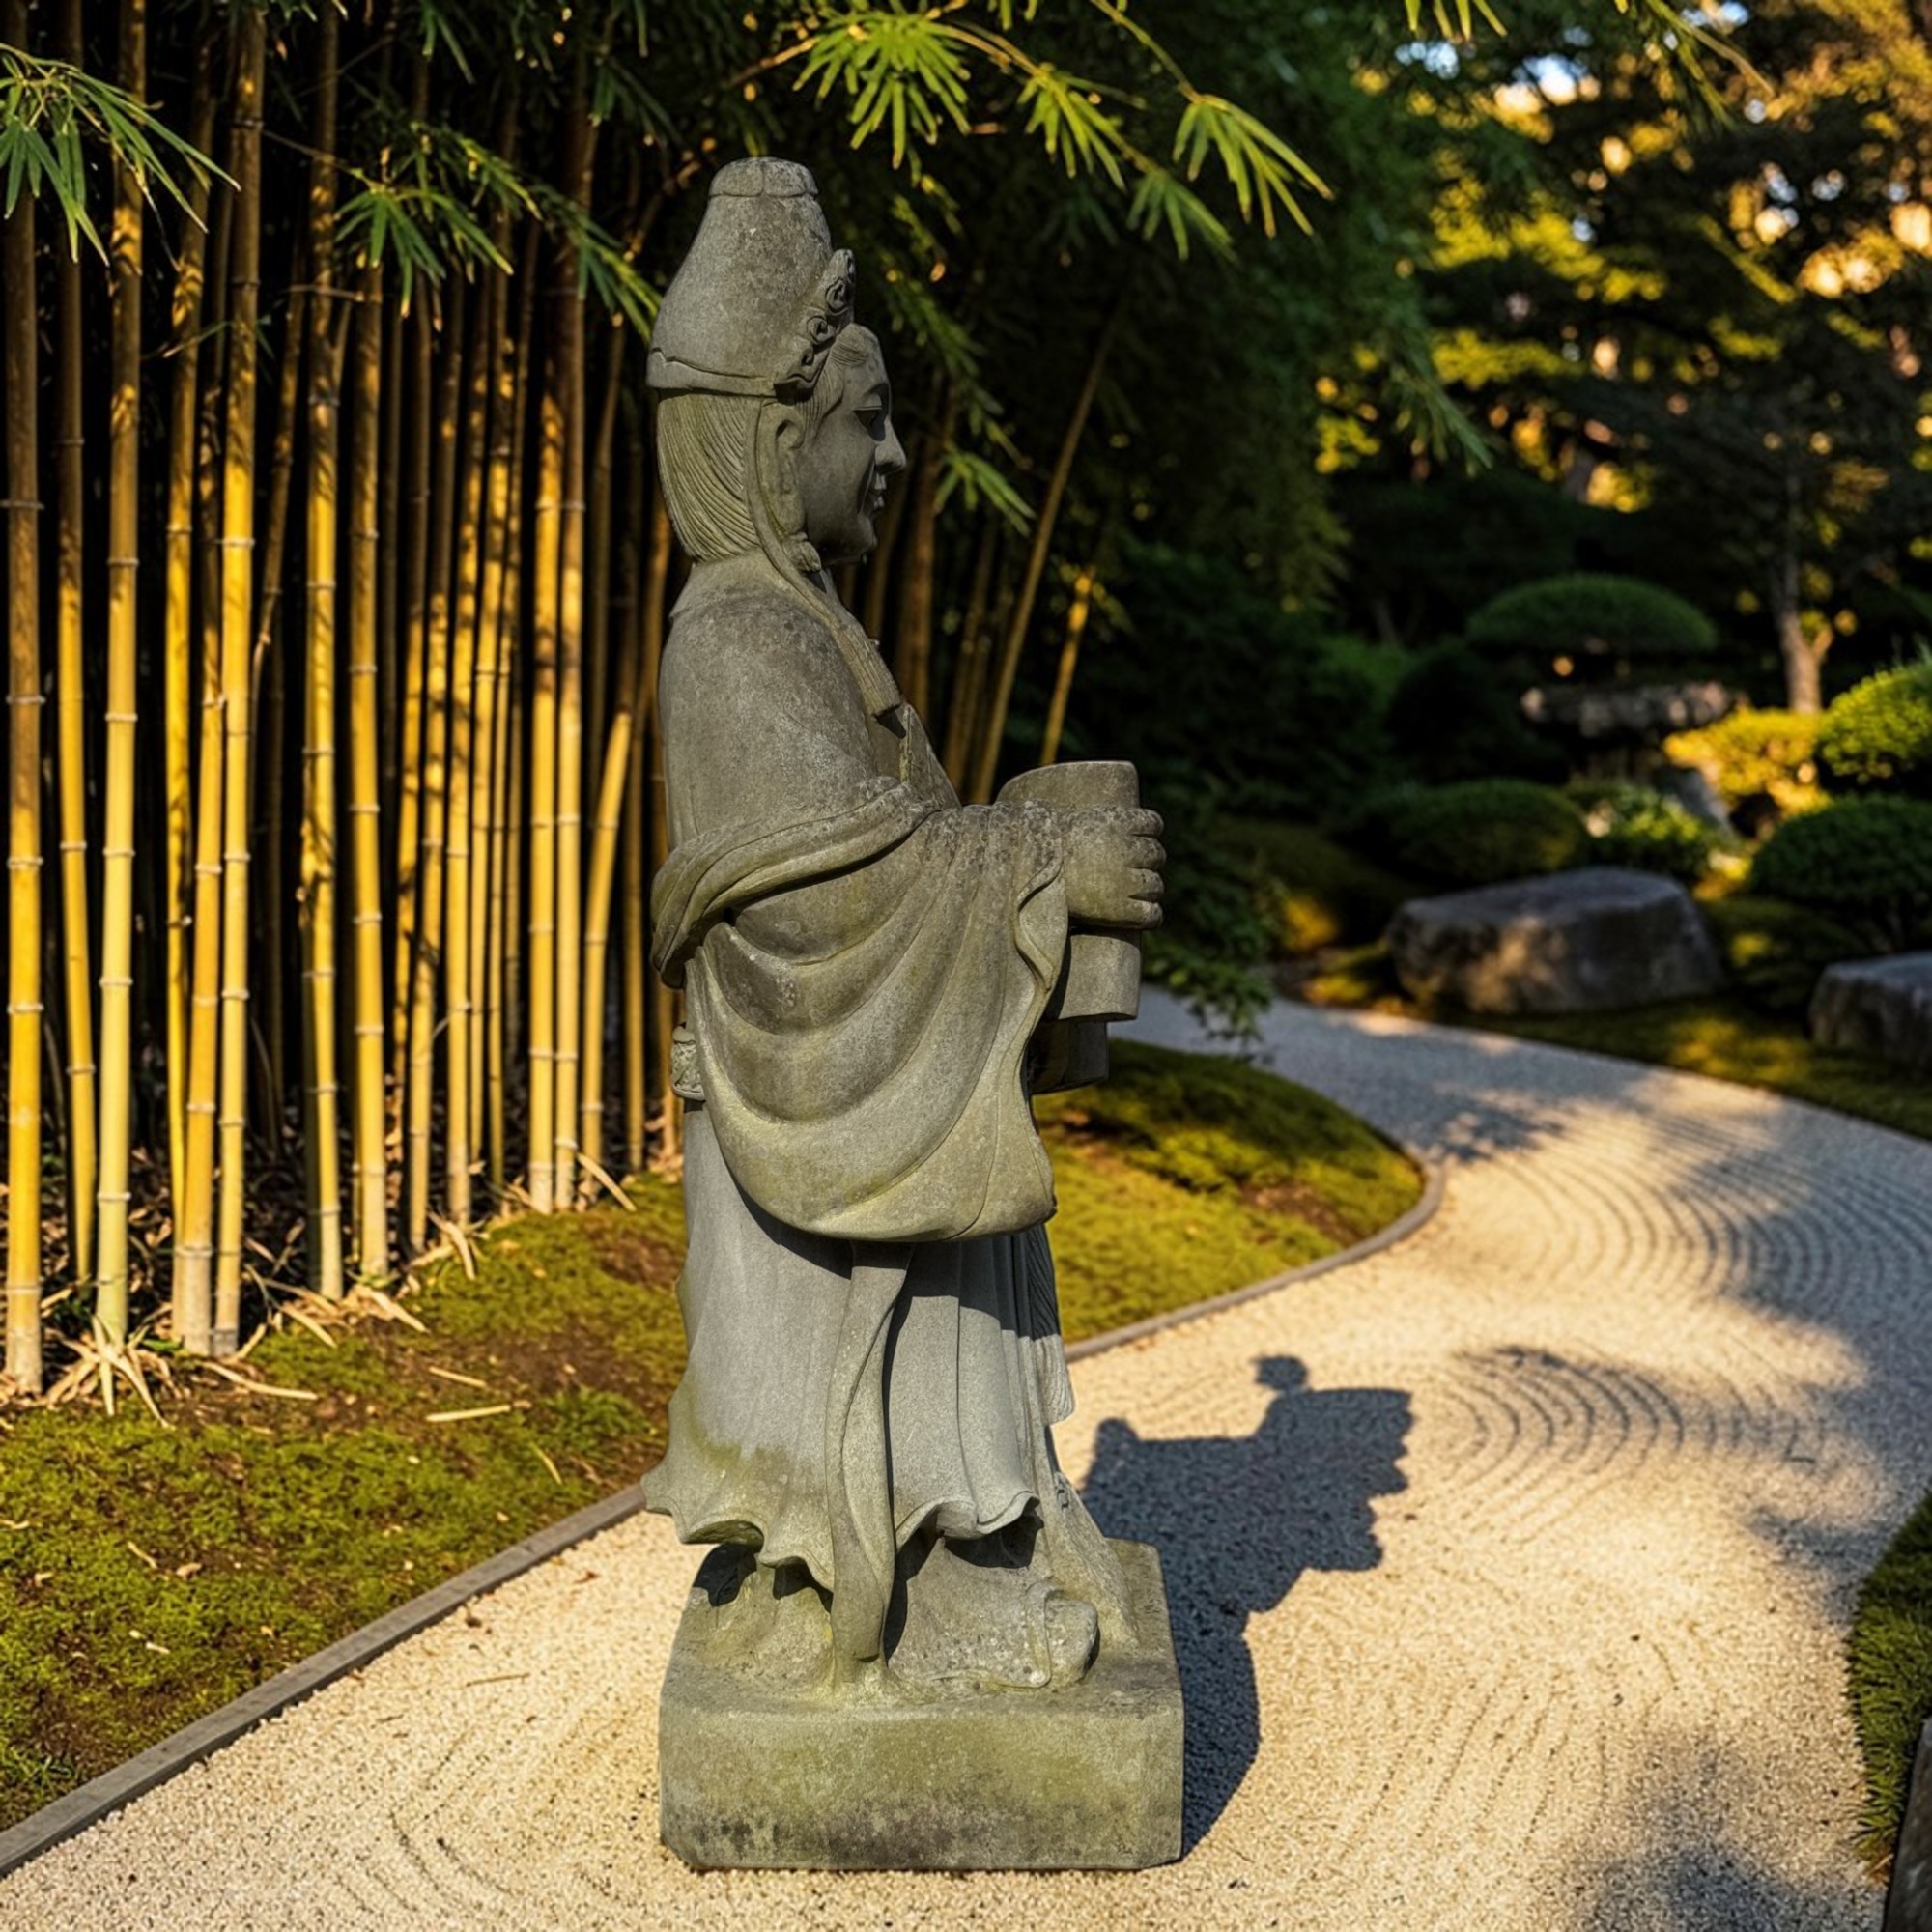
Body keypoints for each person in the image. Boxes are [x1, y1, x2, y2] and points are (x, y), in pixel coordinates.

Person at [643, 158, 1164, 1692]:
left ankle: (980, 1533)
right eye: (865, 421)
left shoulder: (802, 620)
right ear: (771, 437)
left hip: (891, 1071)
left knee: (961, 1289)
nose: (893, 456)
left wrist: (1017, 858)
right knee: (893, 1334)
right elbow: (820, 906)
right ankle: (928, 1575)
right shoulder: (736, 636)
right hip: (822, 1091)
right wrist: (1040, 868)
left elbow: (887, 846)